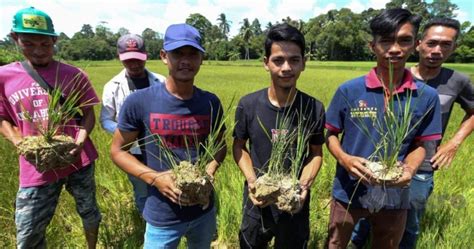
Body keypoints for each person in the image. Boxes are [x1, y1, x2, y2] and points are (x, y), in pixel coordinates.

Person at [350, 17, 474, 249]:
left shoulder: (457, 81)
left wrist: (453, 143)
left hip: (422, 166)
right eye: (431, 43)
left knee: (409, 221)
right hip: (380, 163)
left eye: (446, 44)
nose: (437, 50)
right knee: (366, 214)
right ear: (418, 44)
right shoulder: (396, 73)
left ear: (454, 47)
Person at [324, 8, 442, 249]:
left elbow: (422, 143)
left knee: (386, 244)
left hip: (395, 195)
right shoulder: (350, 90)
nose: (395, 49)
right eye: (386, 41)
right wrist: (345, 160)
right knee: (336, 243)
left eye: (404, 40)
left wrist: (409, 169)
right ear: (372, 46)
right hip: (349, 190)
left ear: (416, 44)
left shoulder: (425, 96)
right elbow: (331, 134)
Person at [110, 23, 226, 248]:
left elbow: (220, 145)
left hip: (203, 209)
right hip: (162, 214)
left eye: (192, 54)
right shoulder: (139, 101)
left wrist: (210, 171)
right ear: (164, 56)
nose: (185, 60)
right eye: (178, 53)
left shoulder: (210, 102)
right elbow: (117, 151)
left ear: (201, 58)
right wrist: (155, 178)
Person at [0, 7, 101, 248]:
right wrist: (20, 143)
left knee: (89, 211)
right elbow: (3, 118)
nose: (38, 50)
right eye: (28, 43)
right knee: (28, 229)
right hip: (36, 166)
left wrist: (78, 142)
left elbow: (88, 114)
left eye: (45, 44)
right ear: (15, 39)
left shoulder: (73, 74)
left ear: (54, 40)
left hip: (78, 159)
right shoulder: (4, 76)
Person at [233, 23, 325, 248]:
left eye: (294, 60)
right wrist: (253, 182)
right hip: (258, 202)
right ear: (266, 63)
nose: (286, 68)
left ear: (304, 63)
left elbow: (316, 154)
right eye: (278, 60)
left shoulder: (313, 107)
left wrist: (303, 187)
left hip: (294, 204)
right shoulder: (249, 105)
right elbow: (239, 147)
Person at [100, 33, 166, 214]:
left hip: (161, 149)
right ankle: (147, 225)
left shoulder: (161, 81)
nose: (134, 65)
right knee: (142, 190)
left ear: (146, 55)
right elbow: (105, 119)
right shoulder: (112, 86)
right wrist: (127, 131)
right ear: (119, 58)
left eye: (138, 59)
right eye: (128, 61)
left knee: (165, 185)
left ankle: (166, 221)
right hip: (132, 151)